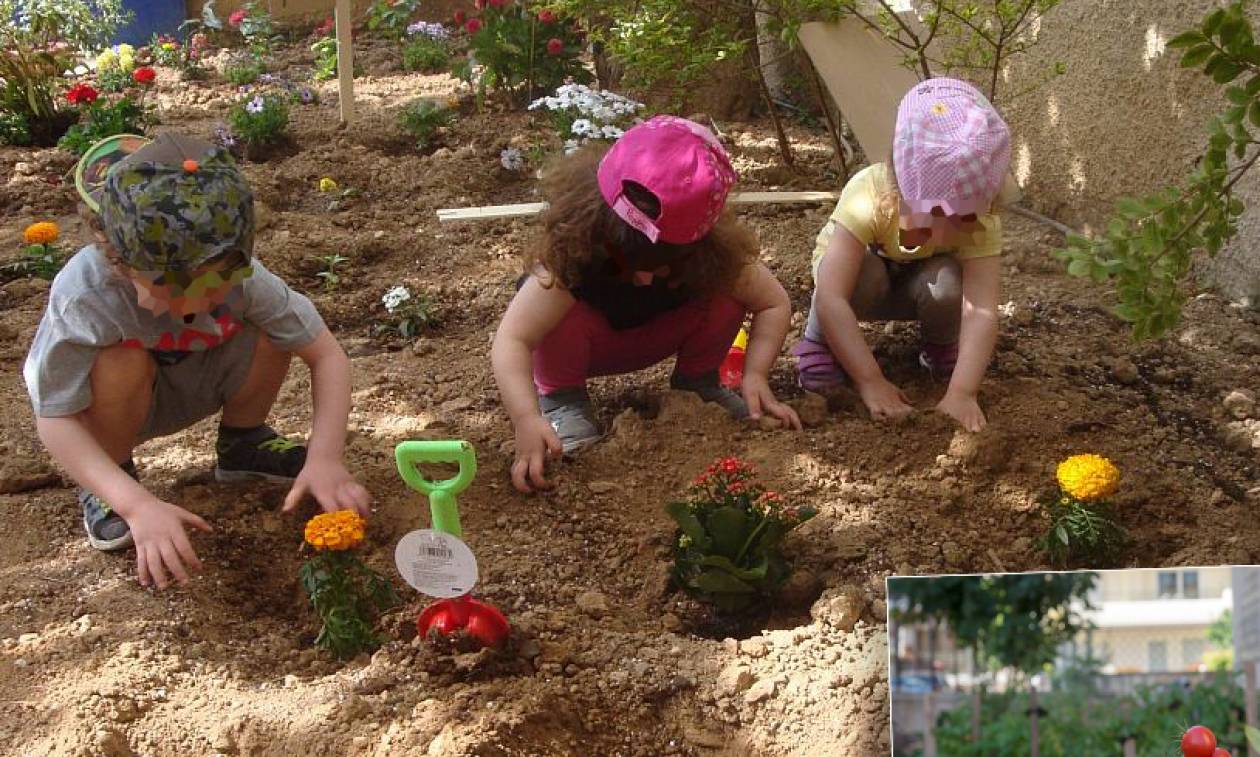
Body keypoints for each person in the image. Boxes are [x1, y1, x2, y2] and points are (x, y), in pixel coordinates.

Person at [24, 132, 369, 590]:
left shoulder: (244, 278)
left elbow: (325, 354)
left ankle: (243, 444)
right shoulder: (86, 296)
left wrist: (325, 458)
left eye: (220, 283)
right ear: (123, 263)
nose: (203, 301)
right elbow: (56, 416)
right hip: (122, 406)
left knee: (276, 327)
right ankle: (109, 481)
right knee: (118, 357)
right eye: (179, 287)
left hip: (202, 376)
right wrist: (135, 505)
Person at [492, 116, 801, 493]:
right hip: (589, 345)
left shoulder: (711, 257)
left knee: (724, 295)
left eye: (662, 266)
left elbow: (773, 302)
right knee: (556, 317)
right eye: (627, 263)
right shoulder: (574, 252)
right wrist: (526, 419)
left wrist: (755, 376)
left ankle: (698, 385)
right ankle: (563, 401)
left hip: (663, 333)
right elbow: (513, 339)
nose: (644, 279)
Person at [793, 77, 1011, 432]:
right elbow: (832, 296)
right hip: (857, 288)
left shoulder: (983, 221)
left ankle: (941, 346)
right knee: (864, 272)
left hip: (916, 285)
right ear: (903, 189)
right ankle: (818, 342)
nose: (949, 229)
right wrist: (870, 381)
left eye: (963, 219)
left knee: (948, 281)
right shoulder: (869, 193)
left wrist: (963, 391)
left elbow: (981, 309)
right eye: (935, 215)